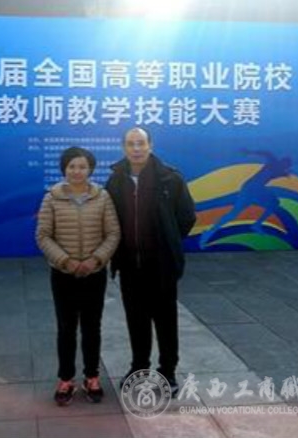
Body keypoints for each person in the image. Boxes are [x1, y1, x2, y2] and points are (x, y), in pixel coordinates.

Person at [105, 128, 196, 397]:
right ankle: (139, 367)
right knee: (136, 321)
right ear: (123, 148)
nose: (136, 149)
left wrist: (168, 241)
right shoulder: (116, 180)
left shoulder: (170, 178)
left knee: (166, 321)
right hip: (130, 265)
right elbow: (110, 218)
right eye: (131, 144)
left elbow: (186, 217)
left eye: (141, 143)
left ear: (150, 145)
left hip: (161, 266)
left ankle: (168, 372)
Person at [36, 146, 120, 406]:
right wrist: (67, 261)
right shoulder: (51, 198)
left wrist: (96, 260)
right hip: (63, 275)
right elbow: (43, 236)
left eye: (82, 166)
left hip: (94, 274)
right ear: (64, 169)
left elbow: (113, 233)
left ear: (90, 169)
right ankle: (66, 379)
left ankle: (92, 377)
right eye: (72, 166)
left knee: (92, 327)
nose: (77, 171)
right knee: (66, 328)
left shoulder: (102, 197)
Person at [199, 149, 291, 247]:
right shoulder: (273, 161)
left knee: (274, 203)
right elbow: (266, 153)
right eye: (284, 165)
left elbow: (283, 172)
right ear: (281, 162)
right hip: (250, 188)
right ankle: (209, 233)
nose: (283, 167)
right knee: (234, 214)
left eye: (285, 166)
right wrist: (250, 152)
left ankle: (256, 224)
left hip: (254, 190)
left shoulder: (280, 171)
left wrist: (286, 174)